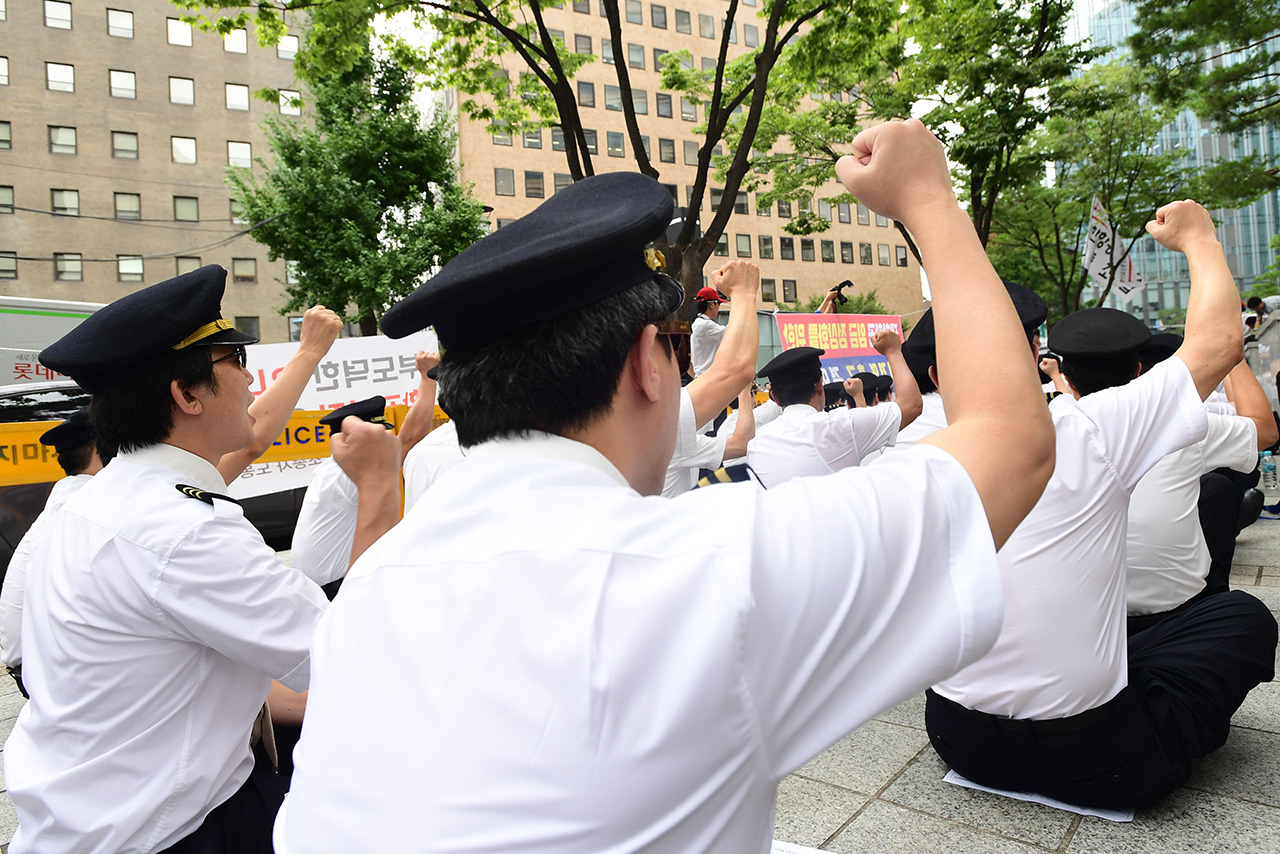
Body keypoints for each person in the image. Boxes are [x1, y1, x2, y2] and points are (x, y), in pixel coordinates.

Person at [274, 120, 1056, 853]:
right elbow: (1011, 443)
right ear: (651, 363)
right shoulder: (711, 569)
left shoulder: (374, 583)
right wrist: (927, 199)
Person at [5, 265, 403, 854]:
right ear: (186, 395)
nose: (248, 380)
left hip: (91, 824)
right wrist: (379, 487)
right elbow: (358, 654)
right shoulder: (182, 531)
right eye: (234, 361)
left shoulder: (94, 505)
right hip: (167, 834)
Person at [927, 201, 1279, 811]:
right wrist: (1199, 238)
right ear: (1036, 355)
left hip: (955, 737)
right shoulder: (1090, 427)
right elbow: (1220, 343)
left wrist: (924, 202)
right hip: (1097, 760)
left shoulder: (911, 449)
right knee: (1243, 617)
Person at [1125, 340, 1278, 633]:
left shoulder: (1057, 425)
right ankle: (1214, 595)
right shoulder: (1179, 421)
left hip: (1082, 620)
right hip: (1172, 611)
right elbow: (1264, 428)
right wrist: (1232, 355)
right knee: (1217, 486)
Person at [0, 410, 114, 696]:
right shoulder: (92, 505)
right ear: (103, 451)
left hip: (35, 663)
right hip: (51, 670)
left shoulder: (69, 497)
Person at [746, 331, 922, 488]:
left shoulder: (758, 442)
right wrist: (893, 352)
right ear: (820, 385)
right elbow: (911, 405)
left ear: (775, 397)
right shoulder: (837, 426)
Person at [290, 396, 397, 593]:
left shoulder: (332, 468)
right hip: (332, 589)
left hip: (317, 586)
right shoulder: (346, 474)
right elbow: (410, 439)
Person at [690, 285, 728, 377]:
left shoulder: (698, 323)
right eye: (718, 303)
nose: (719, 307)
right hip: (708, 376)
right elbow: (731, 333)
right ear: (711, 304)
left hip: (702, 376)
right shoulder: (706, 325)